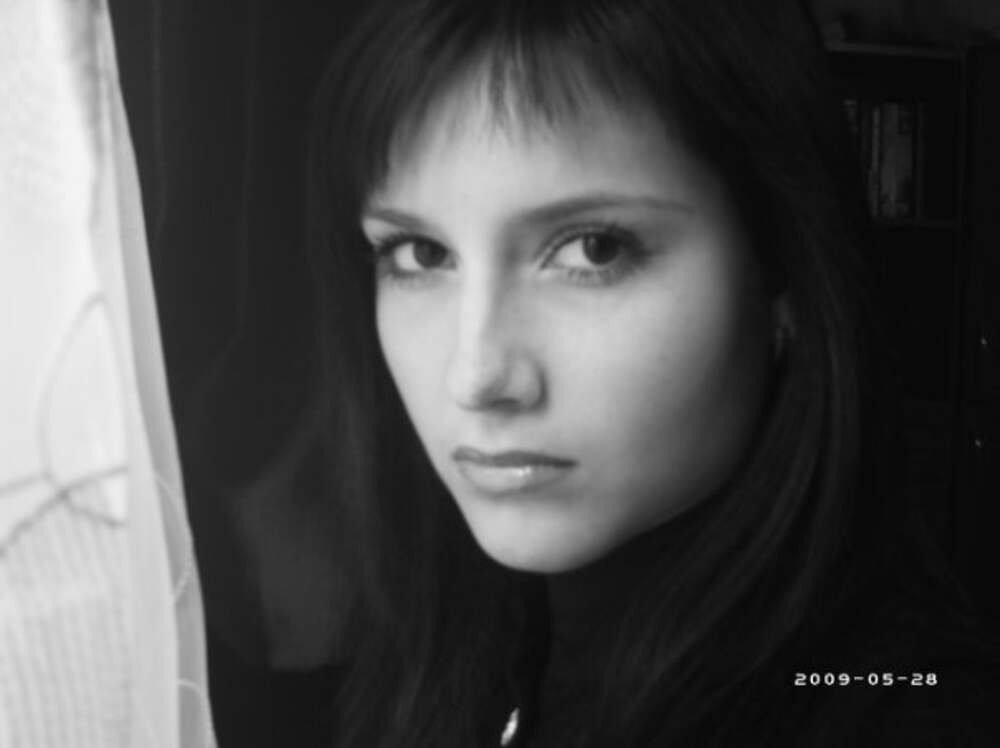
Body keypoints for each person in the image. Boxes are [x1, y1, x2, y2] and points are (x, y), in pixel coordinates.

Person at [304, 0, 1000, 745]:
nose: (475, 377)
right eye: (421, 255)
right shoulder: (445, 628)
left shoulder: (899, 706)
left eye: (594, 250)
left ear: (784, 278)